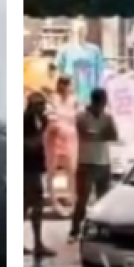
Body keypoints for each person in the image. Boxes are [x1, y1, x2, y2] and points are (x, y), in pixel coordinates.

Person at [69, 88, 118, 241]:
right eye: (103, 102)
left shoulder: (107, 117)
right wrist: (101, 134)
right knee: (82, 199)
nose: (104, 106)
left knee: (103, 199)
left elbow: (113, 135)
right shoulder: (81, 117)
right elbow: (86, 134)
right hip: (86, 162)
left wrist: (97, 135)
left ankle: (101, 231)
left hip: (104, 162)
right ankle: (75, 230)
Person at [24, 92, 53, 259]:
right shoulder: (26, 120)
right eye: (40, 105)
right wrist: (41, 133)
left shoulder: (38, 120)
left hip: (34, 167)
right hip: (28, 168)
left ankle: (37, 242)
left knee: (29, 205)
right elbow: (29, 144)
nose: (43, 108)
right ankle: (37, 244)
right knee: (35, 204)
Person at [45, 74, 78, 213]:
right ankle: (53, 201)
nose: (72, 87)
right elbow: (50, 115)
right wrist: (54, 124)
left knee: (71, 170)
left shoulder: (74, 100)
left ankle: (72, 199)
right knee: (52, 170)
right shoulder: (53, 99)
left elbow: (78, 116)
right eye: (70, 85)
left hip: (70, 138)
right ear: (63, 85)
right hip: (54, 138)